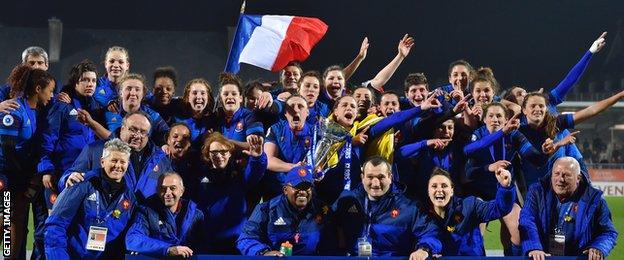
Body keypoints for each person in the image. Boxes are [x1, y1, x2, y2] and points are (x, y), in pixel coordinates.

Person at [44, 139, 136, 259]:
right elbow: (55, 226)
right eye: (113, 160)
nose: (118, 166)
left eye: (122, 162)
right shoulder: (80, 184)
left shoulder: (129, 198)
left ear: (127, 165)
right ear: (102, 162)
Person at [333, 156, 441, 258]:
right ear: (362, 177)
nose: (375, 183)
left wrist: (424, 249)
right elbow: (328, 224)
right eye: (370, 177)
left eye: (381, 177)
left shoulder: (408, 206)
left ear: (390, 177)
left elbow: (430, 232)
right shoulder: (347, 200)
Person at [38, 60, 108, 214]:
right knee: (54, 222)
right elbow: (47, 139)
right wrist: (46, 170)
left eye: (93, 80)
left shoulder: (99, 110)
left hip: (87, 177)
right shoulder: (62, 106)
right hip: (61, 175)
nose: (90, 84)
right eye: (85, 80)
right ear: (76, 83)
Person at [0, 64, 55, 259]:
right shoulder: (14, 108)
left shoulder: (35, 110)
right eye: (50, 90)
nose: (51, 95)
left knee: (18, 217)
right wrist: (20, 174)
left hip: (21, 175)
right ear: (38, 89)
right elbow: (6, 147)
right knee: (5, 217)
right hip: (6, 175)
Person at [60, 112, 172, 201]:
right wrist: (67, 179)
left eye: (143, 132)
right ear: (122, 128)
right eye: (133, 129)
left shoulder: (160, 159)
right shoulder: (95, 150)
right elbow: (69, 177)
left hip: (141, 225)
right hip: (103, 222)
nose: (137, 136)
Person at [519, 157, 618, 260]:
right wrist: (534, 247)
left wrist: (599, 247)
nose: (561, 179)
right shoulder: (537, 192)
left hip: (578, 257)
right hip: (543, 256)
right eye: (556, 174)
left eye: (567, 175)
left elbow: (608, 232)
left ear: (578, 178)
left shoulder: (594, 199)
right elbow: (527, 220)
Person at [189, 132, 266, 254]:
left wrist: (257, 157)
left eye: (223, 152)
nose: (218, 155)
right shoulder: (198, 178)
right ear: (208, 155)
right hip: (207, 241)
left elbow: (255, 172)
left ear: (230, 153)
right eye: (214, 152)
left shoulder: (240, 175)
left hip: (236, 240)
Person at [237, 165, 336, 256]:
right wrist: (264, 253)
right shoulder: (266, 209)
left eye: (306, 187)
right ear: (285, 190)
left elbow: (331, 245)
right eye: (297, 187)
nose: (302, 192)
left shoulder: (323, 210)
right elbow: (245, 239)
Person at [426, 167, 515, 256]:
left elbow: (499, 208)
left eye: (444, 186)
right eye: (434, 186)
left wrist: (505, 188)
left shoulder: (469, 206)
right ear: (428, 191)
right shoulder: (420, 214)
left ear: (452, 190)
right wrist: (428, 251)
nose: (439, 190)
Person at [126, 172, 205, 258]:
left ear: (182, 191)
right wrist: (167, 249)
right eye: (163, 188)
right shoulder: (146, 211)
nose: (167, 193)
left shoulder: (196, 215)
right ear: (157, 190)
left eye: (172, 188)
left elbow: (204, 246)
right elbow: (133, 239)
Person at [105, 73, 170, 145]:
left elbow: (169, 135)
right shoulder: (108, 111)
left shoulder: (153, 116)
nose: (133, 93)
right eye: (128, 89)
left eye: (137, 89)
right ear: (120, 93)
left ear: (143, 94)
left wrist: (163, 147)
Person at [171, 78, 216, 146]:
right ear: (187, 97)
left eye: (203, 93)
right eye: (194, 93)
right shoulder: (176, 117)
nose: (199, 97)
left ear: (208, 98)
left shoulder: (214, 120)